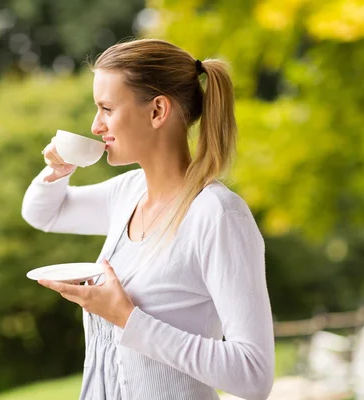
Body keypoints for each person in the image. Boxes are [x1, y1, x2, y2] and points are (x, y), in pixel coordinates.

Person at [21, 38, 274, 400]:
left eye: (107, 108)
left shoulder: (217, 216)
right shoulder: (128, 193)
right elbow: (44, 213)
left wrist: (127, 318)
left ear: (157, 111)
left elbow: (254, 375)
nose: (96, 125)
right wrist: (57, 170)